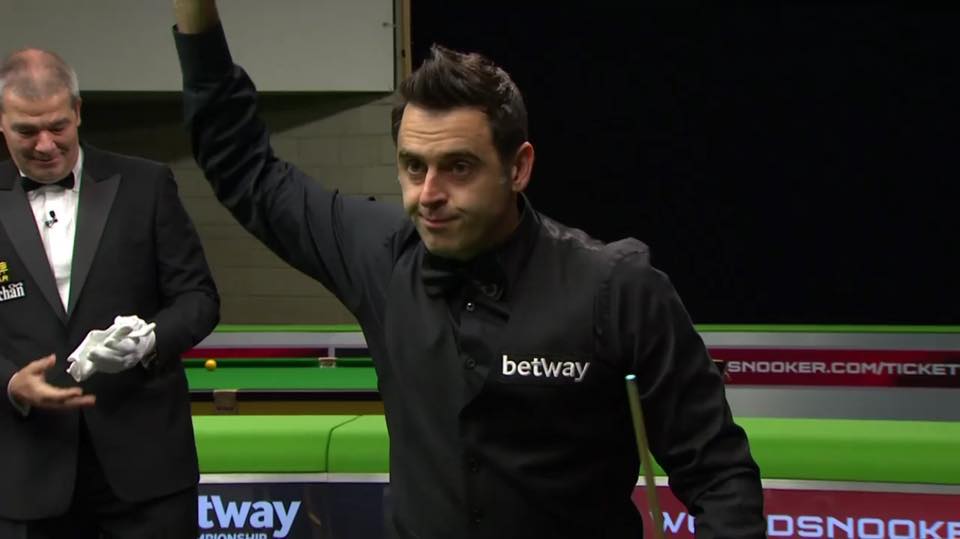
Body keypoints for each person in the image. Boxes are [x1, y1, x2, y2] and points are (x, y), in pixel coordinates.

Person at [171, 1, 764, 537]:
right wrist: (196, 18)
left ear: (518, 167)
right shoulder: (379, 257)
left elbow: (720, 478)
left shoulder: (617, 288)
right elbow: (243, 165)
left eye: (458, 167)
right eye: (413, 166)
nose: (428, 194)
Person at [0, 48, 219, 537]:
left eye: (57, 126)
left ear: (78, 111)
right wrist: (10, 382)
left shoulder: (147, 184)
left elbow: (199, 298)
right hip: (27, 475)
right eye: (26, 131)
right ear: (1, 122)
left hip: (147, 472)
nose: (45, 144)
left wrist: (149, 340)